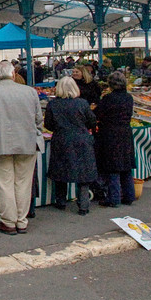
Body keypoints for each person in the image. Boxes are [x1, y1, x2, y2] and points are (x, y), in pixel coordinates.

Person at [0, 60, 43, 235]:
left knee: (4, 184)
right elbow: (38, 120)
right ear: (13, 74)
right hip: (28, 143)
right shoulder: (30, 92)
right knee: (23, 183)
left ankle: (8, 221)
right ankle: (21, 221)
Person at [44, 75, 98, 215]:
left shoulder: (53, 105)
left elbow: (48, 124)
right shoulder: (82, 103)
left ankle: (60, 202)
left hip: (61, 140)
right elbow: (92, 121)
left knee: (61, 170)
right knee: (83, 173)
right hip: (81, 140)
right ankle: (83, 205)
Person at [95, 72, 136, 207]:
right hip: (125, 132)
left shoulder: (108, 99)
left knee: (112, 166)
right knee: (126, 166)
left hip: (110, 134)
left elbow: (98, 114)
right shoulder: (128, 98)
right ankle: (129, 195)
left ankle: (114, 198)